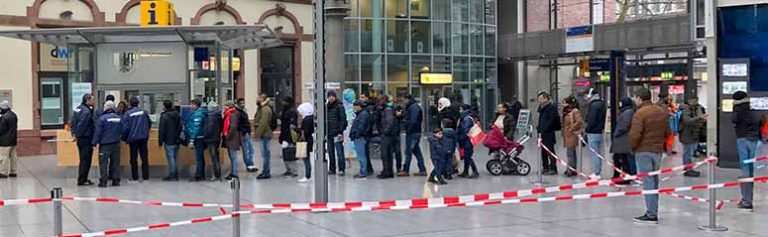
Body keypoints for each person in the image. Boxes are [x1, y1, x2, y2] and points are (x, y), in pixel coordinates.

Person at [630, 87, 671, 224]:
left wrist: (632, 147)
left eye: (635, 98)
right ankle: (653, 210)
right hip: (657, 151)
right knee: (654, 181)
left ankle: (651, 214)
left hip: (643, 151)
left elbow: (635, 134)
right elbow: (667, 132)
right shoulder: (660, 111)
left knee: (647, 182)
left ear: (639, 98)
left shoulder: (640, 113)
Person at [732, 91, 760, 211]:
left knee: (745, 171)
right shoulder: (751, 109)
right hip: (754, 140)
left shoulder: (738, 109)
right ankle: (748, 199)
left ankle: (746, 201)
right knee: (751, 170)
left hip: (743, 139)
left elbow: (734, 120)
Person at [92, 101, 122, 187]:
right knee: (115, 163)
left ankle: (103, 181)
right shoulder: (118, 118)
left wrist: (94, 142)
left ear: (106, 107)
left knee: (103, 163)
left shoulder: (102, 119)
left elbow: (98, 132)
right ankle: (116, 180)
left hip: (105, 145)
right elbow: (123, 130)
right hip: (116, 144)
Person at [122, 97, 151, 181]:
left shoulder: (128, 114)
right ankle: (146, 176)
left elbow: (126, 128)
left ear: (130, 104)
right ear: (138, 103)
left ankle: (135, 177)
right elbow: (149, 123)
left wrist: (125, 138)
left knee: (133, 159)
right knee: (144, 158)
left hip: (133, 139)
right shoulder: (144, 112)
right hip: (143, 138)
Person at [72, 94, 96, 185]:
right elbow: (82, 125)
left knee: (82, 159)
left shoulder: (78, 108)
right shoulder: (86, 112)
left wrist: (74, 134)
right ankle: (82, 179)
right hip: (86, 138)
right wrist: (77, 135)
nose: (94, 101)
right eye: (92, 100)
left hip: (80, 139)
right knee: (86, 160)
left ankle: (83, 178)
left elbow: (73, 122)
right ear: (87, 100)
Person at [679, 97, 706, 177]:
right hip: (687, 133)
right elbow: (687, 121)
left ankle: (689, 168)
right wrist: (699, 117)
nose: (696, 102)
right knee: (688, 152)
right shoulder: (685, 109)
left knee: (691, 152)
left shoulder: (697, 107)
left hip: (693, 133)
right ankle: (688, 169)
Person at [400, 95, 427, 176]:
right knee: (417, 151)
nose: (403, 102)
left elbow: (413, 120)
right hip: (416, 132)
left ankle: (406, 170)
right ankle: (422, 169)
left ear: (407, 99)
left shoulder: (413, 107)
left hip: (412, 133)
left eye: (403, 100)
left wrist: (408, 129)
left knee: (408, 152)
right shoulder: (414, 106)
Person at [611, 97, 636, 184]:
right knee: (619, 158)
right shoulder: (627, 112)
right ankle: (618, 175)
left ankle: (624, 176)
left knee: (622, 159)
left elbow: (625, 125)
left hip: (623, 140)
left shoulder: (627, 113)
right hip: (622, 140)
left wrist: (616, 132)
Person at [585, 89, 607, 180]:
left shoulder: (593, 105)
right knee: (598, 153)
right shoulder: (601, 104)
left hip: (593, 132)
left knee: (594, 153)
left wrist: (587, 129)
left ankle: (596, 172)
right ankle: (598, 171)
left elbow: (592, 120)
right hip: (599, 131)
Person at [537, 91, 560, 175]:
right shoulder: (542, 108)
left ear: (546, 99)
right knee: (543, 151)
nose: (539, 100)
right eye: (538, 99)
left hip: (548, 132)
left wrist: (544, 129)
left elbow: (551, 120)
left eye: (541, 99)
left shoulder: (551, 108)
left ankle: (553, 168)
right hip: (541, 133)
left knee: (550, 150)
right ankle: (545, 167)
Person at [158, 100, 182, 181]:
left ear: (164, 106)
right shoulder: (177, 114)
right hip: (177, 139)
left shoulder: (164, 116)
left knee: (170, 157)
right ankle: (176, 173)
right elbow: (180, 127)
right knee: (175, 157)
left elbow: (162, 130)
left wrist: (160, 141)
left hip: (168, 139)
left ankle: (172, 174)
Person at [326, 90, 348, 176]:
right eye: (329, 96)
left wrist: (340, 131)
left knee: (339, 152)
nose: (331, 98)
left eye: (332, 96)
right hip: (329, 133)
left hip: (337, 133)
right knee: (330, 152)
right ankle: (332, 169)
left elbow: (343, 120)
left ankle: (341, 169)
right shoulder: (327, 107)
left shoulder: (339, 106)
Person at [253, 94, 274, 180]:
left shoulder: (265, 109)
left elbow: (263, 122)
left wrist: (258, 134)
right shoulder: (262, 108)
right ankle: (266, 171)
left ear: (262, 99)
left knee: (265, 154)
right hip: (264, 133)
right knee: (265, 153)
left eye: (258, 98)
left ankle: (266, 172)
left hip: (265, 134)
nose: (257, 99)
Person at [561, 96, 583, 177]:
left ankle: (570, 170)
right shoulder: (566, 112)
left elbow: (579, 122)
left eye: (564, 103)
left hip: (572, 135)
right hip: (567, 135)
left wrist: (571, 128)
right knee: (571, 153)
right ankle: (572, 168)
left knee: (570, 153)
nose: (563, 104)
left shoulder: (574, 111)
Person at [186, 99, 207, 182]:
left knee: (199, 157)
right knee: (200, 157)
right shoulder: (199, 113)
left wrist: (192, 140)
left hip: (198, 138)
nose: (190, 106)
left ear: (195, 105)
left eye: (191, 105)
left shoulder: (198, 115)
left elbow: (196, 128)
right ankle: (201, 174)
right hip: (199, 137)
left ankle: (199, 175)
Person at [378, 96, 399, 179]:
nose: (379, 102)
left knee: (385, 154)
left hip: (387, 135)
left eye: (380, 100)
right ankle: (389, 171)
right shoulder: (387, 109)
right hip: (390, 134)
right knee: (388, 153)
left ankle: (386, 171)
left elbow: (390, 122)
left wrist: (385, 132)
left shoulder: (387, 110)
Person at [279, 96, 300, 177]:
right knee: (285, 153)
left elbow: (292, 125)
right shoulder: (286, 111)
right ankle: (288, 169)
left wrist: (292, 137)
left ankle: (294, 170)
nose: (282, 103)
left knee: (290, 153)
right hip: (285, 134)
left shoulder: (291, 112)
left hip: (289, 135)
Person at [235, 98, 257, 173]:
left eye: (243, 103)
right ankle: (249, 165)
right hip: (243, 133)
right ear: (238, 104)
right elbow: (238, 124)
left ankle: (250, 163)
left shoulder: (243, 111)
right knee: (246, 150)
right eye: (241, 103)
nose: (242, 104)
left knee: (251, 149)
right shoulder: (238, 112)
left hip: (247, 133)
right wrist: (244, 131)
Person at [350, 100, 371, 179]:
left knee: (361, 156)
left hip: (360, 137)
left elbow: (361, 126)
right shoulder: (361, 114)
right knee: (361, 155)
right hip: (359, 137)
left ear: (359, 106)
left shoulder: (363, 115)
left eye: (355, 106)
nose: (354, 108)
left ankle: (363, 171)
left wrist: (356, 134)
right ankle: (363, 170)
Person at [457, 104, 479, 178]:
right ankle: (465, 171)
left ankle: (475, 171)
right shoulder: (467, 117)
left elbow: (465, 130)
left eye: (461, 109)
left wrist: (460, 138)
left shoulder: (466, 119)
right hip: (467, 140)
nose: (459, 111)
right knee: (466, 156)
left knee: (467, 156)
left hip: (467, 140)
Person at [223, 102, 243, 180]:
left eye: (226, 106)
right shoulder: (228, 114)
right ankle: (233, 172)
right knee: (232, 156)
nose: (225, 107)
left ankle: (234, 173)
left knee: (233, 156)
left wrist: (227, 136)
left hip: (232, 138)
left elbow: (233, 127)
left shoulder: (233, 115)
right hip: (231, 138)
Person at [204, 102, 223, 181]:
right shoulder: (218, 116)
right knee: (216, 157)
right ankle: (218, 174)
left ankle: (216, 175)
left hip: (211, 139)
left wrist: (205, 135)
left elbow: (209, 128)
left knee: (214, 157)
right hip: (217, 138)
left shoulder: (211, 117)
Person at [297, 103, 315, 183]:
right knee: (306, 158)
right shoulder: (311, 118)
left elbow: (305, 131)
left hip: (306, 141)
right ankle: (308, 175)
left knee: (306, 158)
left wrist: (295, 129)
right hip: (309, 140)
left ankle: (308, 175)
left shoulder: (306, 120)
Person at [0, 100, 18, 179]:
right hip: (13, 140)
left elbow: (1, 130)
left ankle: (3, 172)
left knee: (3, 157)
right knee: (13, 156)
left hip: (4, 141)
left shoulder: (4, 117)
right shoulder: (14, 115)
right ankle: (13, 172)